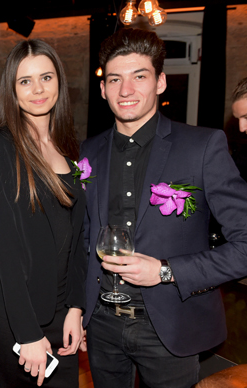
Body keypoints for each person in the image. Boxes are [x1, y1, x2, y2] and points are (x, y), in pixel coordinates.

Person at [80, 28, 247, 388]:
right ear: (103, 89)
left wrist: (166, 272)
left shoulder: (202, 147)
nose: (126, 90)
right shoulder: (87, 152)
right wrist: (76, 309)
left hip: (172, 325)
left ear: (160, 82)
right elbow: (80, 238)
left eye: (139, 76)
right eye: (115, 79)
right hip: (101, 324)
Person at [0, 39, 87, 387]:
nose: (37, 89)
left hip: (60, 310)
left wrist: (76, 307)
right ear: (12, 89)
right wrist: (26, 333)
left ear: (59, 82)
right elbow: (6, 247)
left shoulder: (69, 147)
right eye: (25, 81)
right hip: (14, 314)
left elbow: (77, 237)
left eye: (46, 77)